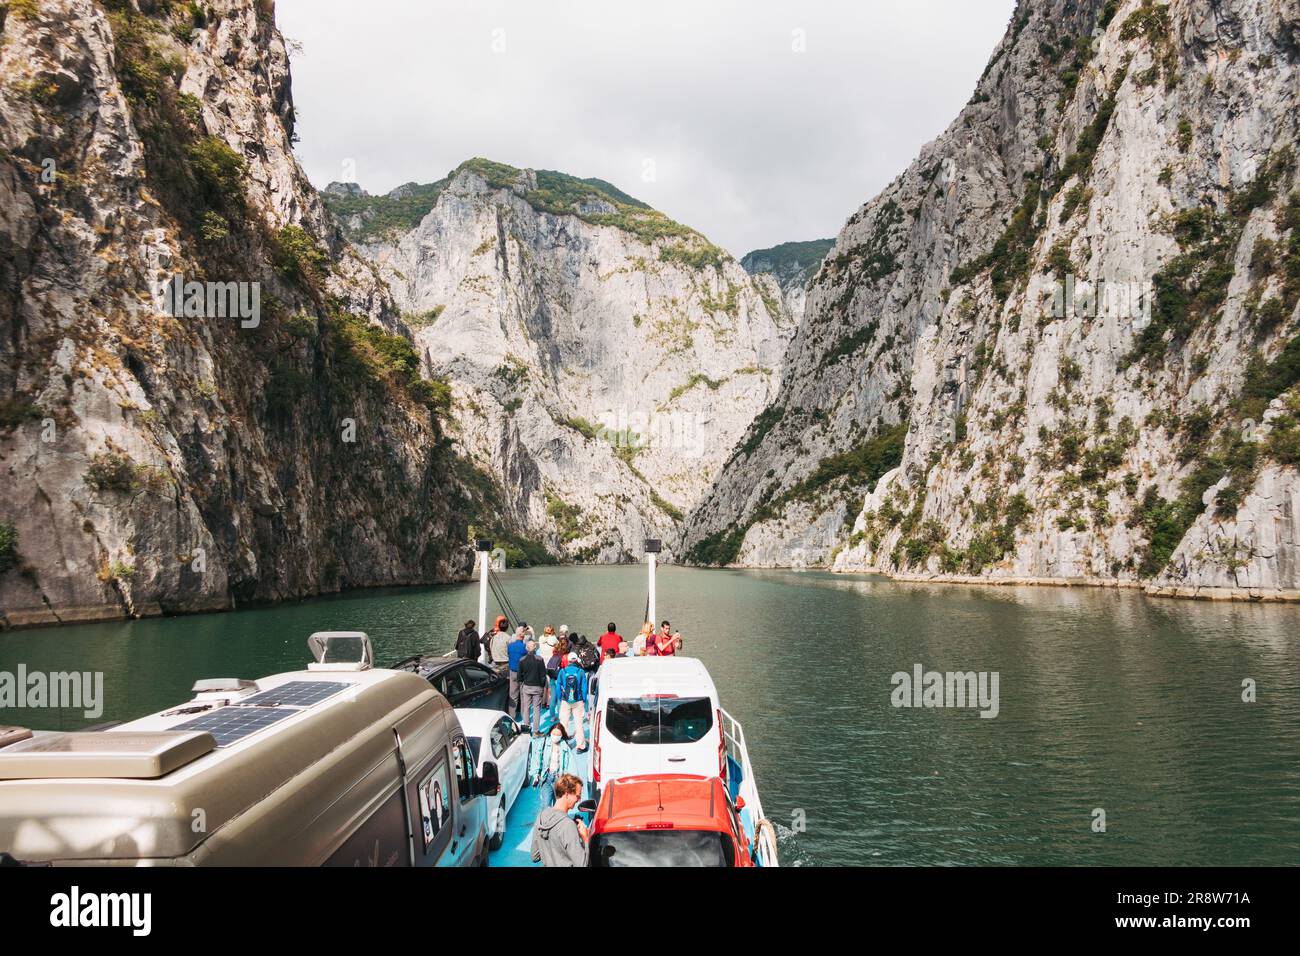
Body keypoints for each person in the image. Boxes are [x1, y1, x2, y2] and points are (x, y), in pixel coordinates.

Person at [530, 773, 588, 867]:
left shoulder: (541, 816)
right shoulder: (568, 825)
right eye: (578, 796)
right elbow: (583, 864)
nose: (579, 800)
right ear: (567, 794)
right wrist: (585, 838)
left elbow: (535, 856)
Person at [528, 723, 576, 805]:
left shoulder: (565, 747)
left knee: (558, 806)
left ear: (562, 735)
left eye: (558, 735)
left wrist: (570, 782)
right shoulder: (543, 743)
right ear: (550, 733)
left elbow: (570, 765)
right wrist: (536, 775)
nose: (555, 736)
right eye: (554, 734)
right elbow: (536, 759)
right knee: (546, 805)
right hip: (546, 779)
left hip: (560, 780)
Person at [556, 653, 589, 751]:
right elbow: (584, 687)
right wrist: (583, 699)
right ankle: (581, 746)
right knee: (578, 724)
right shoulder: (581, 671)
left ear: (568, 660)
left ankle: (564, 745)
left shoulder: (562, 671)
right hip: (578, 700)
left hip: (566, 700)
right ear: (576, 660)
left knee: (563, 723)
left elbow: (558, 686)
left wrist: (560, 697)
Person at [518, 638, 547, 734]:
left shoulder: (522, 660)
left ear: (526, 648)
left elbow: (519, 675)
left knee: (526, 708)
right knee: (536, 709)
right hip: (537, 687)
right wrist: (542, 686)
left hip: (526, 686)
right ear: (535, 647)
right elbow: (543, 675)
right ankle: (536, 730)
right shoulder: (539, 659)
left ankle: (526, 729)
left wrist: (522, 682)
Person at [507, 626, 528, 719]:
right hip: (522, 673)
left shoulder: (510, 646)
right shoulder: (524, 647)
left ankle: (512, 716)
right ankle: (524, 716)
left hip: (512, 672)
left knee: (513, 695)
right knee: (523, 695)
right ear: (522, 635)